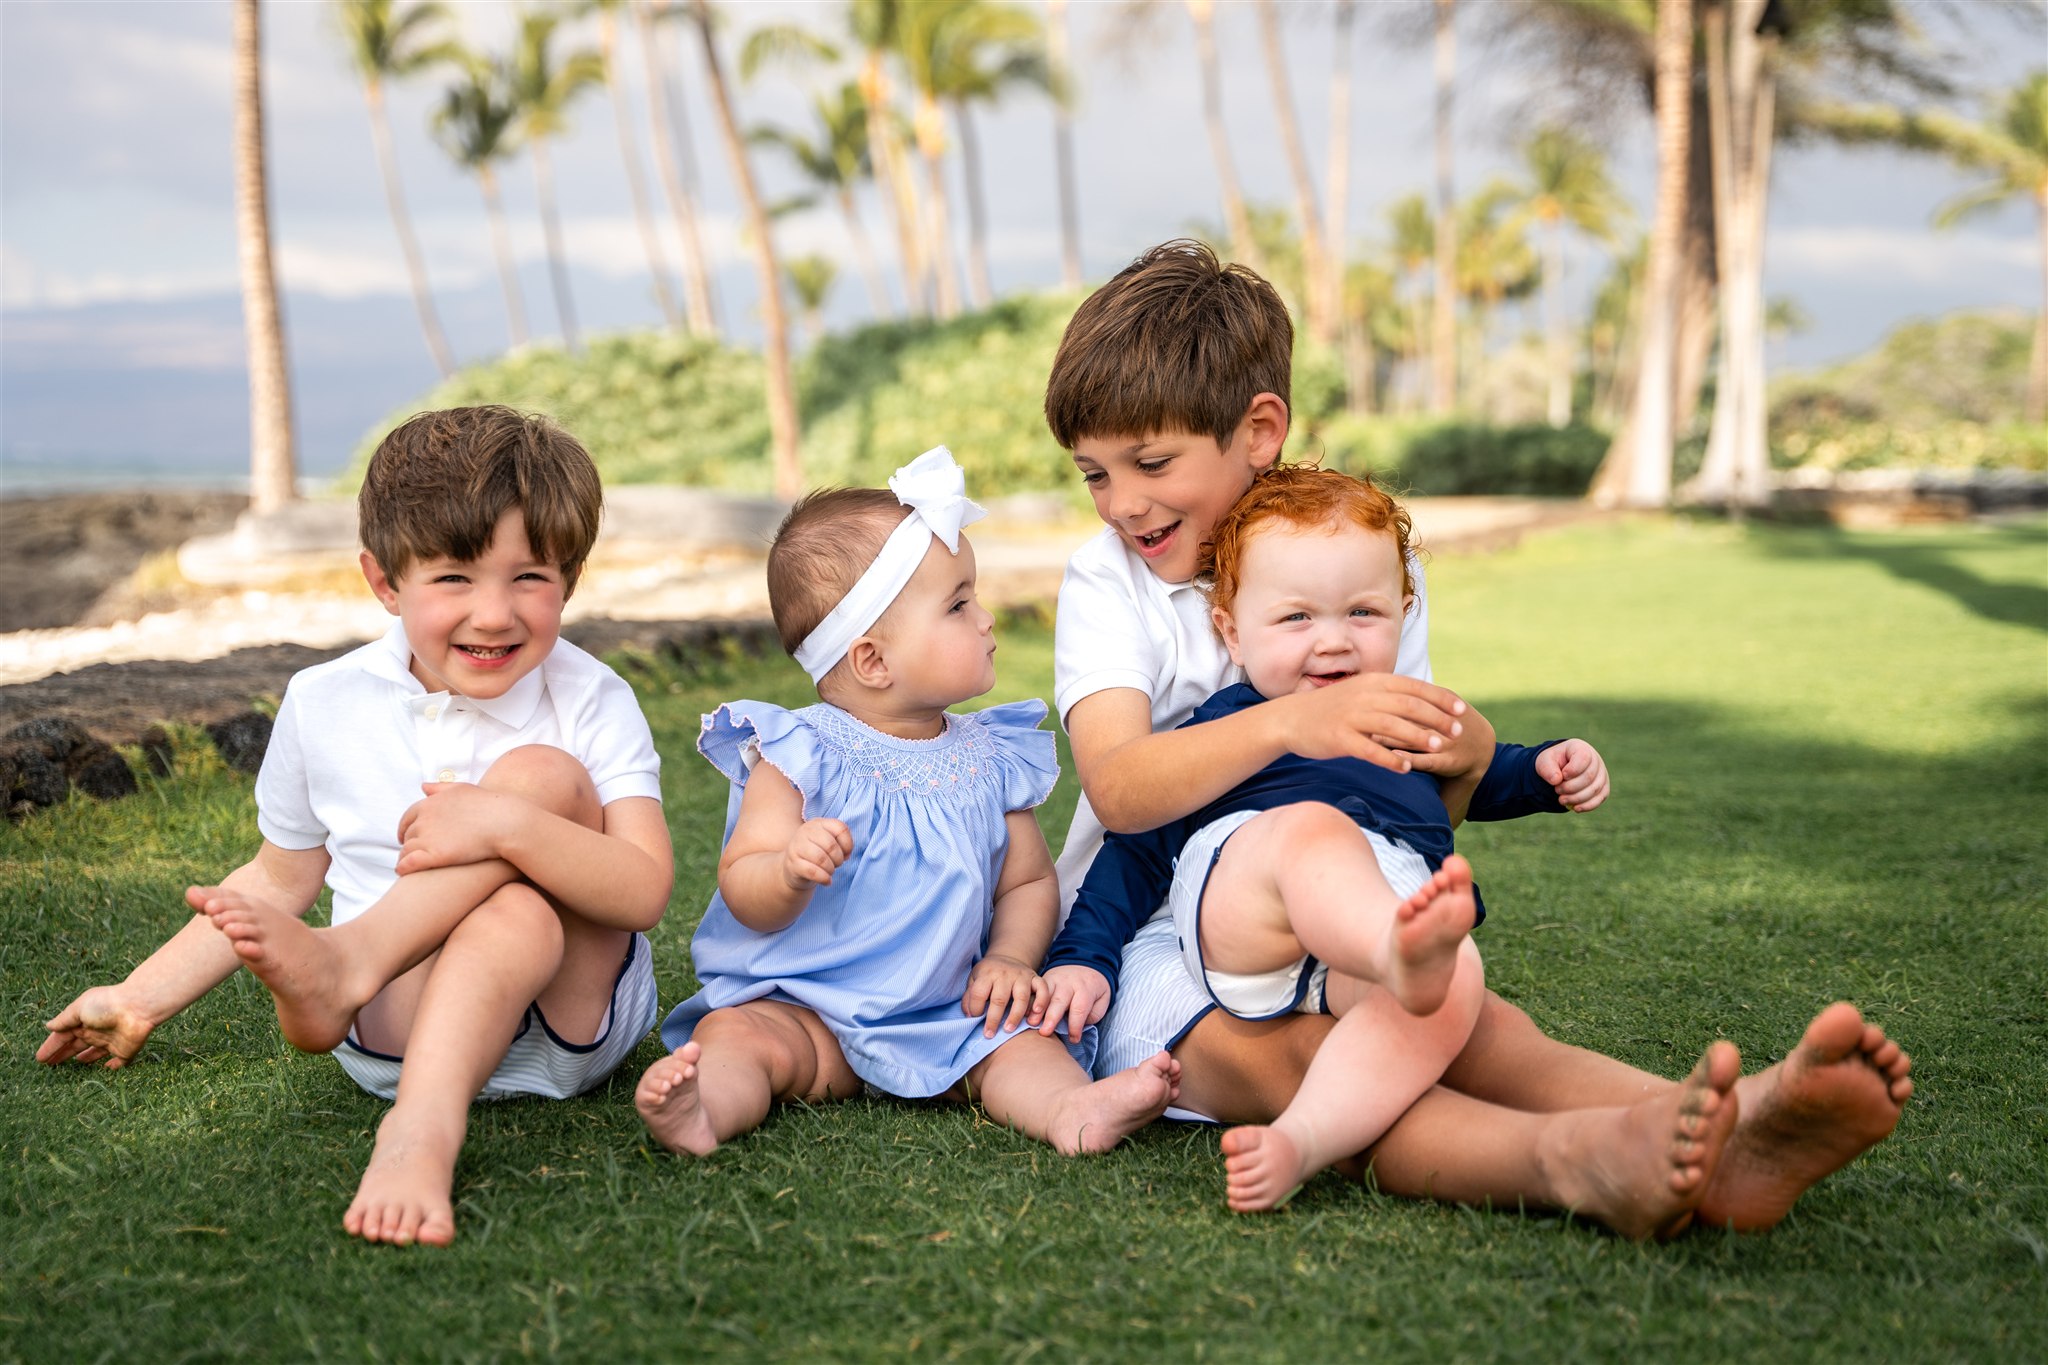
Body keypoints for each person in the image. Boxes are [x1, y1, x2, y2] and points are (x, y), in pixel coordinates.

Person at [1036, 240, 1913, 1237]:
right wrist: (1295, 719)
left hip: (1356, 926)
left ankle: (1728, 1124)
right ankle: (1574, 1161)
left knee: (1470, 1026)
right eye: (1094, 474)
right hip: (1151, 944)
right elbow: (1117, 789)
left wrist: (1473, 755)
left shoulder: (1356, 560)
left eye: (1149, 464)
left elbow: (1414, 820)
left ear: (1258, 430)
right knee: (1329, 1065)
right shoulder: (1111, 580)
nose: (1121, 503)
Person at [37, 406, 674, 1249]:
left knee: (542, 780)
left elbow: (643, 889)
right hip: (394, 1032)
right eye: (453, 578)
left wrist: (505, 824)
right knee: (511, 909)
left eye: (530, 578)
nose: (494, 614)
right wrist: (136, 997)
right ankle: (403, 1091)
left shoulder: (590, 696)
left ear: (571, 578)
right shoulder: (325, 701)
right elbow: (275, 880)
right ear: (384, 582)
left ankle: (358, 980)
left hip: (570, 1026)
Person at [1065, 466, 1641, 1212]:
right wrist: (1083, 957)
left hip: (1357, 936)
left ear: (1404, 614)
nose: (1332, 642)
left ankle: (1305, 1136)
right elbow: (1136, 848)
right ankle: (1395, 949)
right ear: (1231, 631)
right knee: (1314, 832)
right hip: (1250, 915)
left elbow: (1470, 773)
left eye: (1363, 613)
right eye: (1297, 618)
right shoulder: (1225, 728)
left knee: (1458, 981)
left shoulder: (1400, 710)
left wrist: (1539, 770)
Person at [635, 447, 1181, 1160]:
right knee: (743, 1038)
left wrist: (1013, 957)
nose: (987, 620)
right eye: (959, 605)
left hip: (946, 1011)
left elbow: (1027, 879)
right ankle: (703, 1107)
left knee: (1020, 1041)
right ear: (872, 660)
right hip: (808, 1007)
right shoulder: (800, 751)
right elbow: (745, 885)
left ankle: (1073, 1110)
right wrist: (788, 869)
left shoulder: (989, 753)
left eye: (974, 597)